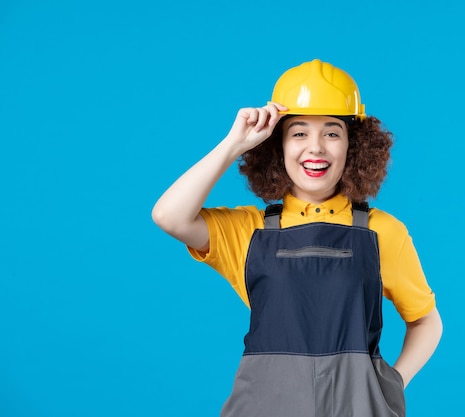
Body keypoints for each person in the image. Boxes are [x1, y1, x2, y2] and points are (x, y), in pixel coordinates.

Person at [152, 59, 443, 417]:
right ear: (278, 146)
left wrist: (392, 382)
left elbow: (426, 320)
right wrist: (234, 143)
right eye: (299, 133)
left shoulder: (382, 231)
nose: (316, 148)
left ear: (354, 146)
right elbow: (169, 216)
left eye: (332, 132)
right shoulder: (248, 230)